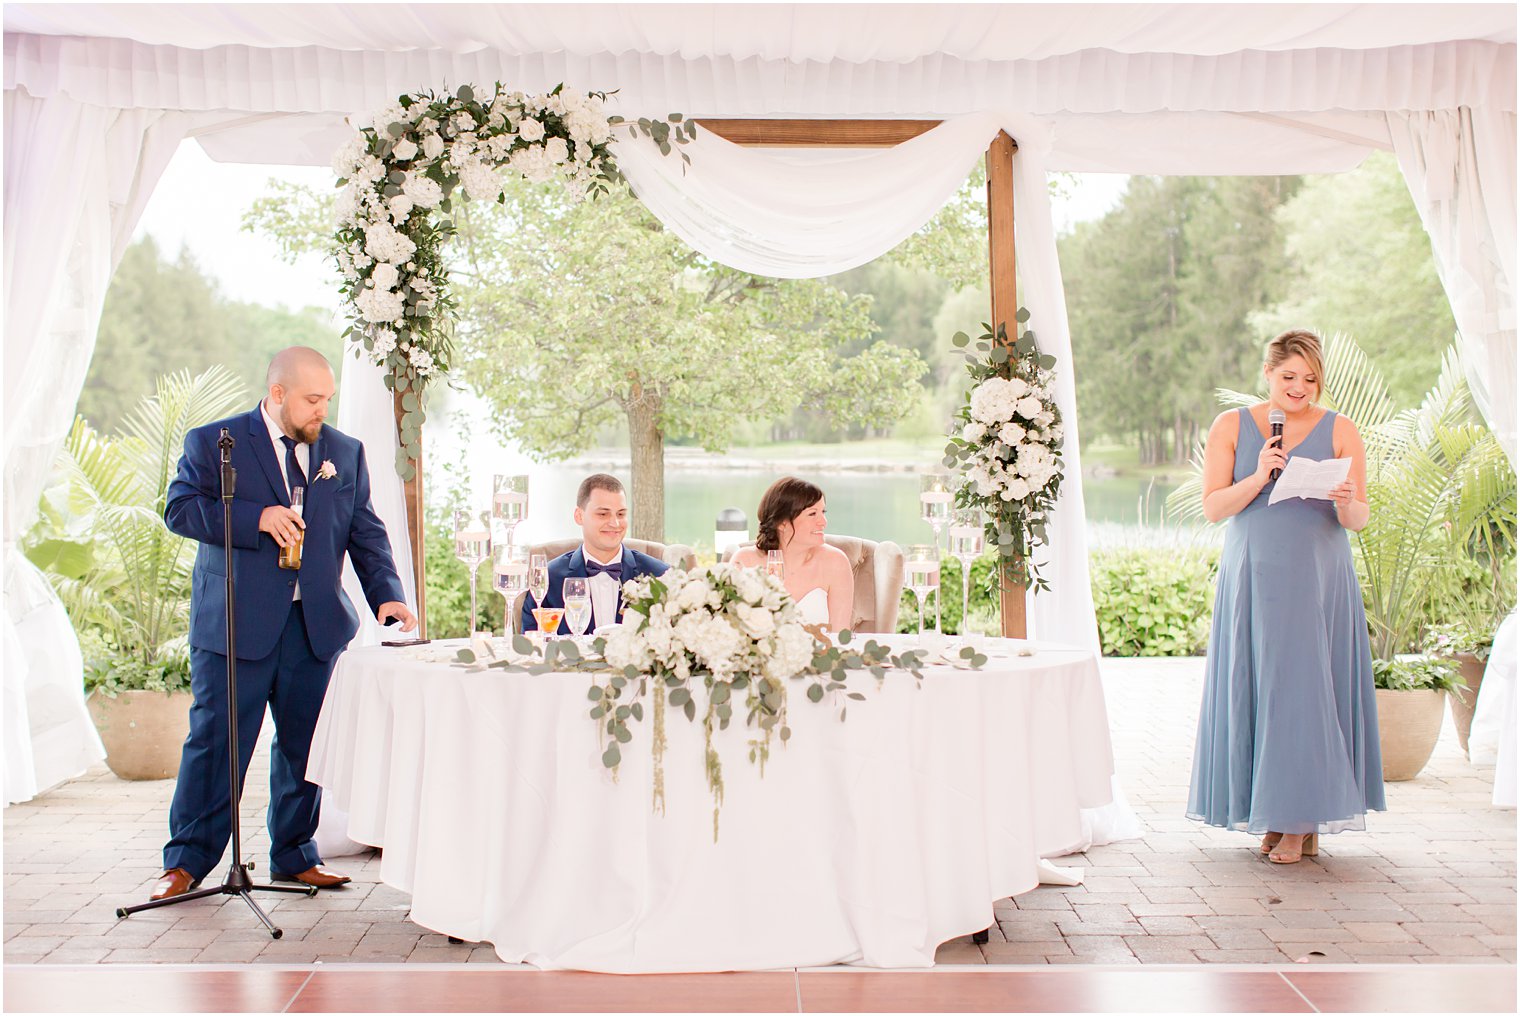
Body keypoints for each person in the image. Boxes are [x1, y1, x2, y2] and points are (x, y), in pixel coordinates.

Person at [149, 347, 416, 901]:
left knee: (305, 747)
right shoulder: (215, 442)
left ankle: (294, 855)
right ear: (277, 394)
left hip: (314, 626)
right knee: (217, 743)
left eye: (327, 399)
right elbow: (179, 509)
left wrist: (387, 598)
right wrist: (256, 519)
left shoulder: (343, 452)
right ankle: (187, 863)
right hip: (234, 626)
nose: (322, 410)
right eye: (312, 399)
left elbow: (365, 531)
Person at [1187, 329, 1384, 864]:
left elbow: (1359, 518)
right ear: (1269, 373)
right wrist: (1259, 476)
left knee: (1304, 689)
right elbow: (1214, 507)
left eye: (1311, 379)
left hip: (1317, 577)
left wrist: (1346, 502)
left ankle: (1298, 821)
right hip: (1254, 574)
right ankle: (1277, 813)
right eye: (1289, 377)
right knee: (1265, 688)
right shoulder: (1231, 426)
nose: (1299, 388)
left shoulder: (1342, 429)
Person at [521, 474, 669, 634]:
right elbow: (531, 646)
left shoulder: (659, 576)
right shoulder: (548, 580)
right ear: (579, 516)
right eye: (603, 514)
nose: (615, 523)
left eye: (620, 514)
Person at [732, 477, 854, 631]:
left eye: (823, 512)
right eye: (812, 514)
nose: (823, 522)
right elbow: (732, 630)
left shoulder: (835, 562)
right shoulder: (745, 562)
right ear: (782, 523)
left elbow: (841, 634)